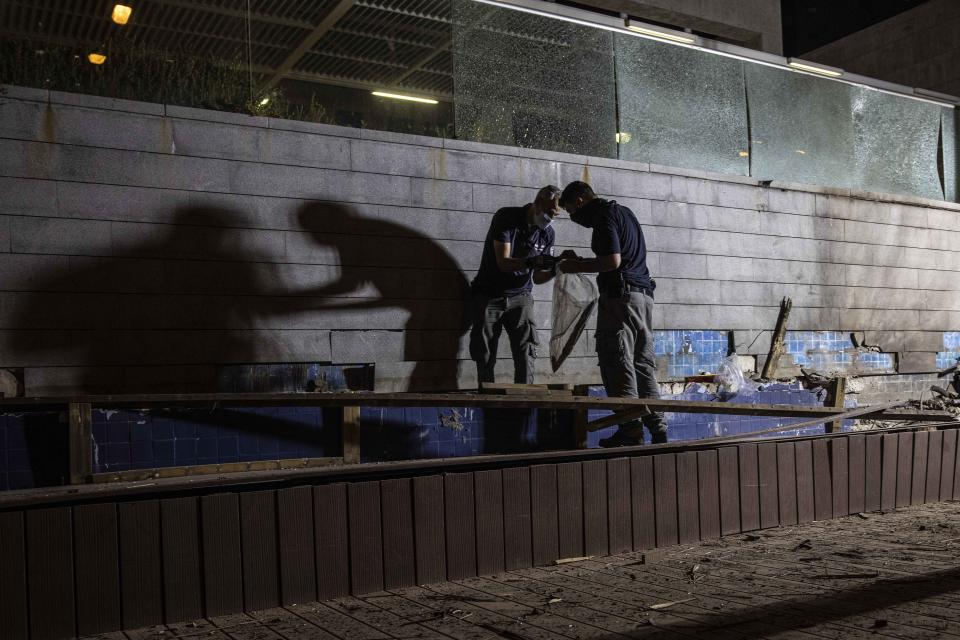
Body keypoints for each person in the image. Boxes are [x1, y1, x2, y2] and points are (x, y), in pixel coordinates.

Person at [557, 181, 667, 446]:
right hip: (642, 296)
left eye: (572, 211)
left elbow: (612, 261)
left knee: (617, 363)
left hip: (620, 298)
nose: (574, 218)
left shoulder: (603, 217)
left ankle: (631, 431)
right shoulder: (624, 213)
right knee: (643, 366)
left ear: (581, 201)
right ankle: (659, 430)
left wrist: (576, 265)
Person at [469, 185, 561, 386]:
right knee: (484, 353)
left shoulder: (547, 234)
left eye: (555, 215)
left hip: (522, 297)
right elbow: (503, 262)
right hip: (490, 294)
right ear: (536, 204)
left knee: (526, 352)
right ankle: (487, 396)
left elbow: (538, 278)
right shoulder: (507, 218)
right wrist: (532, 261)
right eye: (548, 212)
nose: (550, 218)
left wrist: (557, 268)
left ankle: (525, 399)